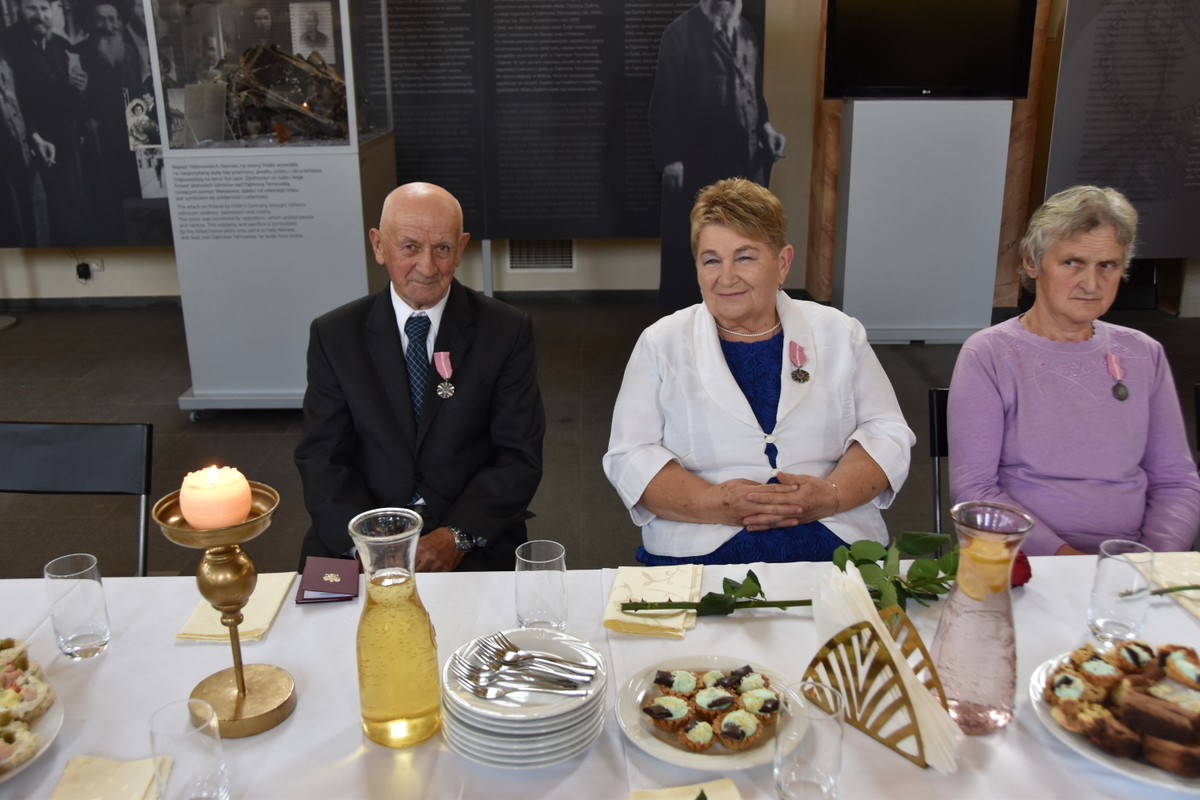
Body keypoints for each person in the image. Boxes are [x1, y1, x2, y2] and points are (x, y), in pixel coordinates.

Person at [603, 178, 914, 565]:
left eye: (745, 256)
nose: (726, 276)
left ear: (783, 262)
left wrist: (831, 494)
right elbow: (629, 455)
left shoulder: (839, 332)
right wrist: (712, 502)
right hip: (700, 548)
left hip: (837, 541)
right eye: (711, 259)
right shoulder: (661, 342)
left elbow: (887, 432)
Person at [295, 182, 546, 572]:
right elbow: (322, 457)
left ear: (461, 248)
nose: (428, 267)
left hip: (470, 536)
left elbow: (519, 455)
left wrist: (457, 536)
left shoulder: (506, 331)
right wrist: (370, 543)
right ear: (378, 245)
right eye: (409, 246)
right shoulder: (334, 335)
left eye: (442, 248)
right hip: (360, 537)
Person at [948, 185, 1200, 556]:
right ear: (1032, 263)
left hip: (1136, 566)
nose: (1091, 283)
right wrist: (1069, 561)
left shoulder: (1143, 353)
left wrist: (1153, 562)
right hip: (1028, 561)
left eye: (1107, 266)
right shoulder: (989, 354)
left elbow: (1176, 481)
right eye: (1072, 263)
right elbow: (976, 491)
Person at [650, 0, 786, 313]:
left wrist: (766, 128)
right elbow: (664, 102)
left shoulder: (746, 32)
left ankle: (736, 313)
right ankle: (684, 322)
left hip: (744, 164)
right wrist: (670, 159)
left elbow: (753, 92)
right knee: (693, 249)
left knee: (742, 241)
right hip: (699, 165)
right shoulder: (680, 34)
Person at [1, 0, 94, 244]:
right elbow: (13, 99)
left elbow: (74, 101)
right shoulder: (8, 46)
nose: (39, 15)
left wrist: (80, 90)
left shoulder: (61, 45)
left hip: (68, 142)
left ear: (52, 11)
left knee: (76, 207)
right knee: (47, 216)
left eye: (44, 8)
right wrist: (34, 135)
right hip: (33, 144)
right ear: (20, 10)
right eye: (31, 8)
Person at [76, 0, 148, 244]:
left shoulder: (129, 50)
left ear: (119, 22)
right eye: (101, 19)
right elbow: (76, 98)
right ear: (89, 23)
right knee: (106, 193)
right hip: (100, 135)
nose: (108, 25)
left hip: (131, 130)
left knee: (137, 186)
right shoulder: (79, 53)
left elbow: (139, 90)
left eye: (113, 19)